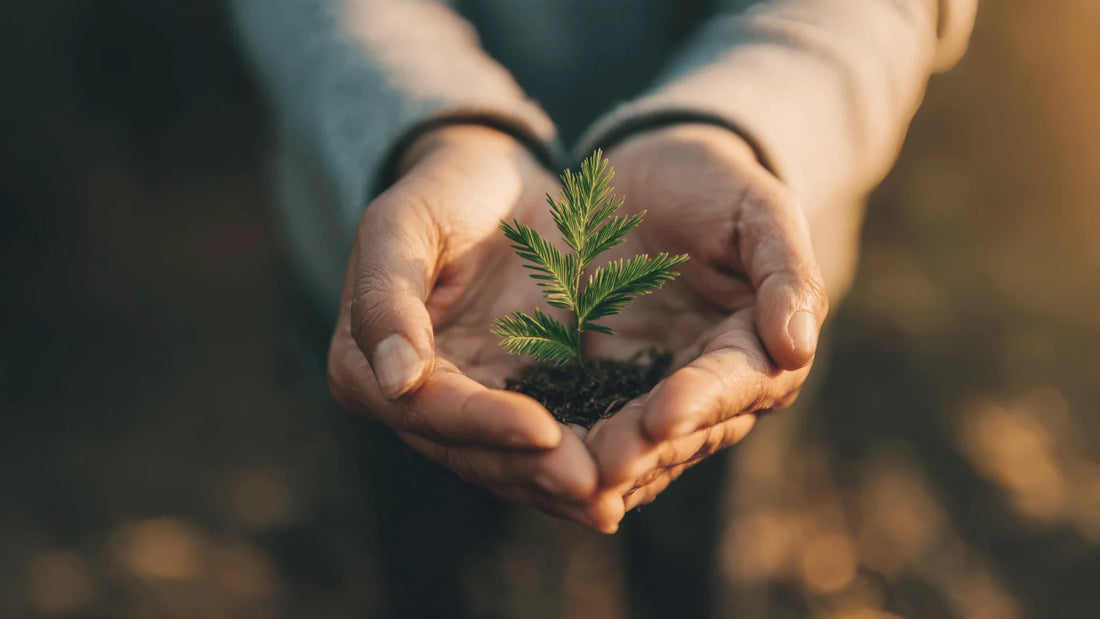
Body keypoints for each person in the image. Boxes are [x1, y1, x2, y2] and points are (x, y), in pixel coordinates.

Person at [233, 0, 977, 614]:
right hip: (420, 275)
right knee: (431, 567)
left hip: (724, 286)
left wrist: (737, 124)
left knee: (698, 571)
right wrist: (429, 125)